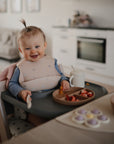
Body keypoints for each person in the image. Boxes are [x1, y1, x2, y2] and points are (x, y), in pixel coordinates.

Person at [8, 19, 70, 103]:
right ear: (21, 50)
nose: (33, 51)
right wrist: (20, 92)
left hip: (56, 96)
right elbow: (12, 84)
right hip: (33, 99)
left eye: (37, 47)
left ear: (44, 45)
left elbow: (60, 75)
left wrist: (64, 81)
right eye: (27, 48)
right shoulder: (21, 67)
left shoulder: (51, 61)